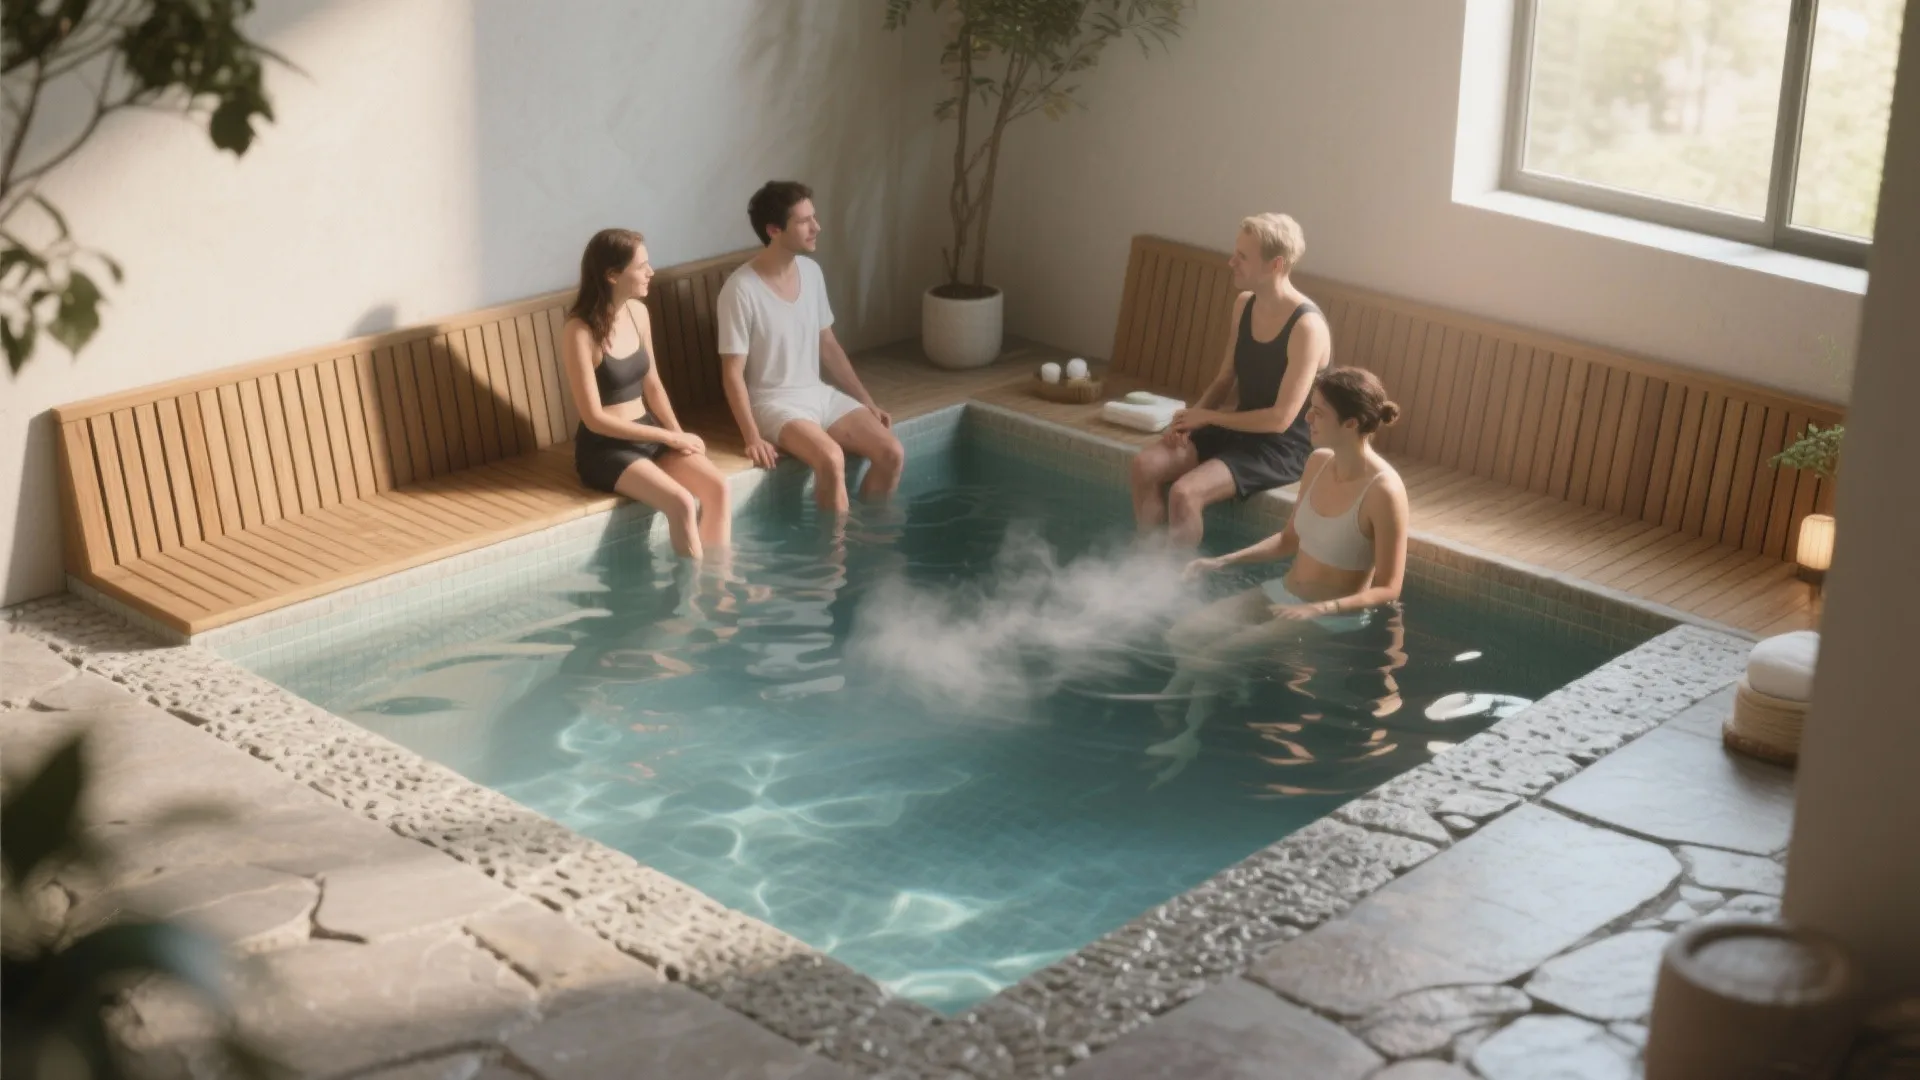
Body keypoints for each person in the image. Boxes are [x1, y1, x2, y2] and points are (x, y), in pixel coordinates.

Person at [1149, 367, 1409, 781]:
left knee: (1214, 655)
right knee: (1183, 633)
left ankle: (1190, 736)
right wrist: (1223, 561)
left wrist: (1323, 608)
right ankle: (1172, 710)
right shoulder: (1319, 463)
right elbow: (1289, 539)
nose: (1306, 419)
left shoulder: (1384, 491)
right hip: (1283, 593)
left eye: (1318, 412)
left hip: (1331, 616)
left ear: (1351, 423)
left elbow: (1389, 588)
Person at [1130, 213, 1330, 547]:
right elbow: (1225, 378)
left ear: (1275, 264)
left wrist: (1208, 417)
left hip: (1281, 447)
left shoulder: (1306, 327)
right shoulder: (1244, 304)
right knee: (1144, 465)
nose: (1231, 261)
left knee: (1183, 494)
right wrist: (1188, 423)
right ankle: (1147, 563)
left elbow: (1281, 419)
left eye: (1243, 256)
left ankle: (1172, 587)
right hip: (1237, 426)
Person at [718, 181, 905, 514]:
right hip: (773, 403)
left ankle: (873, 540)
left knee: (892, 452)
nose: (816, 227)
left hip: (818, 394)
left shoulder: (811, 272)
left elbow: (828, 344)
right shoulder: (740, 290)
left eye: (813, 217)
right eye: (804, 221)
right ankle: (836, 559)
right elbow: (732, 373)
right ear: (774, 230)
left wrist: (867, 401)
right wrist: (751, 437)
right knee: (831, 459)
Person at [562, 228, 731, 561]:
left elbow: (653, 385)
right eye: (642, 266)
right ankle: (692, 597)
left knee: (718, 488)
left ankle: (719, 584)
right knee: (681, 503)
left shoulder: (638, 313)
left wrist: (678, 435)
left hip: (650, 431)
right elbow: (594, 419)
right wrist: (666, 434)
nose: (650, 272)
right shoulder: (578, 331)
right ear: (612, 275)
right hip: (606, 447)